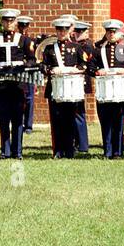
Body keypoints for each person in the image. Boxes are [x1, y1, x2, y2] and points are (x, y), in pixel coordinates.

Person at [90, 20, 124, 159]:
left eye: (114, 32)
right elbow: (90, 68)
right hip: (104, 92)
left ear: (119, 33)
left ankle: (118, 152)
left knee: (118, 122)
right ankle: (107, 151)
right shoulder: (98, 50)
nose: (111, 34)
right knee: (106, 121)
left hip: (119, 91)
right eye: (109, 32)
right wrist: (98, 72)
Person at [41, 16, 85, 158]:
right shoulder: (49, 48)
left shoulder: (76, 47)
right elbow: (43, 66)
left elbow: (83, 65)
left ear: (69, 30)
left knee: (70, 120)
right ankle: (58, 151)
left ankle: (69, 150)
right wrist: (51, 70)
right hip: (55, 87)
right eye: (59, 30)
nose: (61, 33)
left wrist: (73, 69)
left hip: (70, 89)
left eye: (64, 30)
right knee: (56, 121)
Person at [0, 9, 28, 159]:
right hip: (2, 84)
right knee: (4, 117)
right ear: (1, 22)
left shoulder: (24, 40)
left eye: (11, 21)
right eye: (6, 20)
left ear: (16, 22)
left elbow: (31, 59)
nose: (9, 23)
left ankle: (17, 151)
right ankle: (5, 151)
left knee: (18, 118)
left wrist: (22, 67)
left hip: (18, 84)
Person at [72, 20, 95, 153]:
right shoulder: (76, 45)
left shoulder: (87, 46)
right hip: (74, 82)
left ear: (86, 32)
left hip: (81, 81)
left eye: (81, 32)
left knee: (79, 113)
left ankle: (82, 145)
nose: (78, 34)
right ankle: (77, 142)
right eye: (77, 31)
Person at [17, 15, 37, 133]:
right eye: (21, 26)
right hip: (18, 72)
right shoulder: (16, 39)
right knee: (19, 98)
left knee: (29, 99)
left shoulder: (32, 41)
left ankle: (28, 125)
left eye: (25, 26)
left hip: (28, 73)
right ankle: (19, 122)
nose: (23, 29)